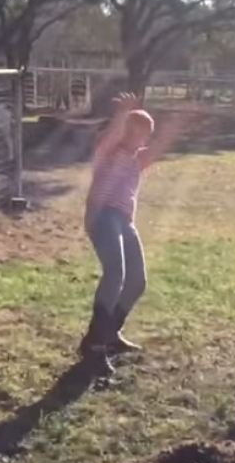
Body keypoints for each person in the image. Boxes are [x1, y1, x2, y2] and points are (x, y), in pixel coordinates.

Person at [80, 93, 199, 376]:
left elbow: (161, 146)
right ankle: (95, 346)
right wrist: (123, 114)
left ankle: (110, 333)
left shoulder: (138, 160)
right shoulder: (110, 150)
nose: (136, 136)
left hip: (124, 220)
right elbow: (110, 136)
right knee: (115, 273)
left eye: (142, 132)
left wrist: (181, 120)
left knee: (137, 281)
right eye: (132, 129)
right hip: (103, 215)